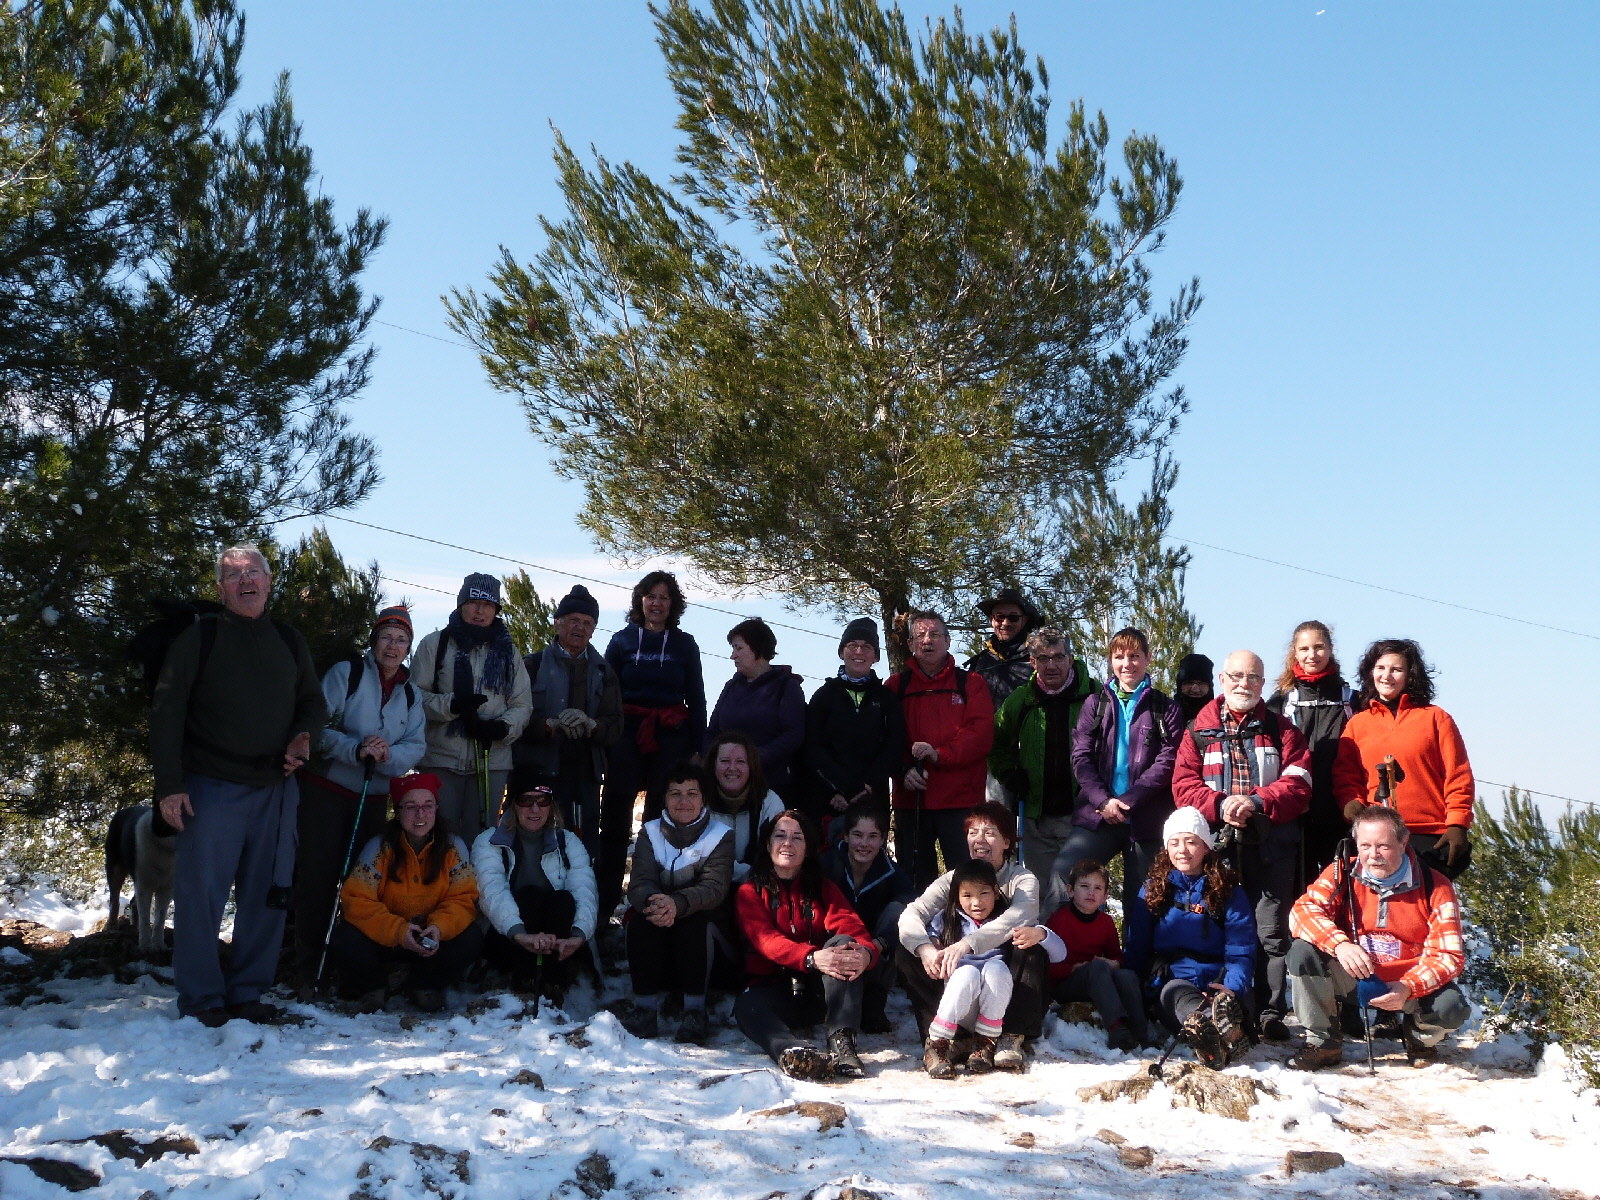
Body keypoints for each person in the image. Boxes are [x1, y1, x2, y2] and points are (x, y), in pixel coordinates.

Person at [150, 544, 327, 1027]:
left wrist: (304, 736)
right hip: (211, 787)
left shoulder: (289, 640)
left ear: (269, 581)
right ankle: (202, 997)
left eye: (254, 572)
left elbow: (312, 702)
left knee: (268, 895)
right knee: (200, 896)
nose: (246, 580)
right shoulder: (199, 639)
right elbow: (166, 712)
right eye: (234, 575)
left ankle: (248, 991)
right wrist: (169, 785)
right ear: (220, 589)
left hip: (277, 788)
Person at [1172, 648, 1311, 1040]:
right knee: (1220, 928)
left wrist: (1255, 802)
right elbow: (1183, 786)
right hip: (1219, 847)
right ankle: (1224, 1008)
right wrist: (1220, 805)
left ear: (1263, 683)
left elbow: (1299, 783)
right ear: (1222, 680)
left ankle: (1269, 1013)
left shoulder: (1283, 730)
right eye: (1235, 676)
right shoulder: (1197, 730)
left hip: (1272, 847)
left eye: (1252, 677)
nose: (1243, 684)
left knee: (1270, 933)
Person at [296, 605, 427, 990]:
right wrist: (356, 750)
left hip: (373, 799)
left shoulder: (411, 693)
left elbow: (415, 744)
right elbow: (318, 728)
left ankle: (350, 965)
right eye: (386, 637)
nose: (393, 646)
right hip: (327, 793)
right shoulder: (346, 674)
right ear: (374, 640)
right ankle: (307, 968)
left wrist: (387, 755)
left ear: (408, 648)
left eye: (401, 640)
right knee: (317, 881)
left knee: (363, 886)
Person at [1287, 804, 1468, 1069]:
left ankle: (1418, 1039)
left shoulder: (1436, 885)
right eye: (1365, 846)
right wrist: (1340, 945)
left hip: (1408, 985)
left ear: (1403, 842)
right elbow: (1302, 912)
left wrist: (1409, 987)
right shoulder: (1342, 872)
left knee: (1451, 1007)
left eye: (1383, 846)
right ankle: (1323, 1042)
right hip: (1353, 978)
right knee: (1302, 952)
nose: (1373, 856)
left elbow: (1448, 955)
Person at [896, 802, 1046, 1072]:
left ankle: (1010, 1035)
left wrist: (968, 944)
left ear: (1007, 842)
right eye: (973, 832)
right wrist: (925, 948)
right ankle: (939, 1038)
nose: (980, 840)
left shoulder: (1021, 879)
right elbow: (913, 913)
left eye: (989, 833)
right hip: (958, 977)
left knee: (1029, 945)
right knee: (907, 949)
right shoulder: (955, 879)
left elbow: (1020, 916)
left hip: (1000, 977)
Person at [735, 810, 877, 1080]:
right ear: (768, 845)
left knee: (846, 944)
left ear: (808, 848)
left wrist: (865, 955)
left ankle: (842, 1042)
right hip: (773, 988)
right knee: (746, 1006)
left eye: (797, 838)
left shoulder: (823, 888)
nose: (787, 843)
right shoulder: (750, 891)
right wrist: (811, 957)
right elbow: (766, 940)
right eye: (780, 836)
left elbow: (852, 927)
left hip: (820, 990)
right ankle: (792, 1052)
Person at [1051, 627, 1183, 914]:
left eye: (1134, 656)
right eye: (1120, 657)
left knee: (1145, 903)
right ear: (1110, 660)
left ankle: (1136, 947)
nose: (1127, 664)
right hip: (1098, 817)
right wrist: (1103, 801)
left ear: (1148, 658)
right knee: (1063, 875)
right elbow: (1081, 757)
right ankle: (1062, 942)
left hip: (1146, 821)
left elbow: (1167, 761)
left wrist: (1129, 801)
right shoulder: (1095, 704)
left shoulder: (1165, 707)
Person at [601, 571, 707, 927]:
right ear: (640, 600)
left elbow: (696, 697)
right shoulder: (621, 641)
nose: (657, 603)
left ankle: (650, 904)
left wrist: (699, 747)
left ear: (673, 604)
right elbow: (606, 694)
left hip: (671, 733)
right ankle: (603, 907)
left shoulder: (685, 645)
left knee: (658, 822)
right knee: (615, 818)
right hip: (626, 733)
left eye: (664, 597)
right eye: (651, 596)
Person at [330, 773, 484, 1013]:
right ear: (398, 811)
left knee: (471, 936)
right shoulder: (380, 847)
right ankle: (374, 987)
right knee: (345, 936)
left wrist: (439, 927)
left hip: (430, 937)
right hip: (387, 938)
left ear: (436, 809)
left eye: (427, 806)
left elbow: (463, 898)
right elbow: (356, 900)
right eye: (411, 807)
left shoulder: (452, 846)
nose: (420, 814)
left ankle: (423, 985)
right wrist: (399, 931)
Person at [1123, 808, 1256, 1069]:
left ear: (1206, 846)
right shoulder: (1154, 889)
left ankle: (1221, 1024)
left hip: (1221, 980)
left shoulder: (1228, 890)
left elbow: (1241, 948)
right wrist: (1132, 988)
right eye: (1174, 843)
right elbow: (1137, 945)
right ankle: (1215, 1028)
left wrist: (1229, 988)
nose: (1182, 850)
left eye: (1191, 842)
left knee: (1232, 1001)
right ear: (1166, 848)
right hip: (1174, 979)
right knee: (1179, 997)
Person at [1333, 639, 1474, 880]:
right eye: (1380, 668)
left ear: (1410, 675)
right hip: (1377, 837)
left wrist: (1457, 825)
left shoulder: (1436, 718)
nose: (1387, 676)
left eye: (1396, 669)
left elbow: (1458, 775)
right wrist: (1352, 803)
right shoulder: (1357, 724)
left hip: (1431, 836)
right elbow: (1346, 776)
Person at [411, 574, 534, 844]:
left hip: (492, 761)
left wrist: (501, 728)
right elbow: (413, 697)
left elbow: (522, 703)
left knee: (482, 841)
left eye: (488, 605)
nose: (480, 611)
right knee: (439, 839)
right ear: (461, 604)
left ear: (496, 610)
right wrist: (452, 705)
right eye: (473, 602)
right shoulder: (435, 644)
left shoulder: (509, 653)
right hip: (441, 759)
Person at [920, 859, 1067, 1078]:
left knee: (996, 967)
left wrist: (1041, 934)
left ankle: (984, 1042)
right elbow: (927, 936)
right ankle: (938, 1043)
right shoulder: (947, 919)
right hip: (960, 1003)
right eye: (967, 895)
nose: (976, 903)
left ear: (996, 892)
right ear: (957, 897)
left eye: (984, 893)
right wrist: (932, 945)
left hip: (995, 1005)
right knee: (967, 972)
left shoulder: (1006, 921)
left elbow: (1060, 954)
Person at [622, 762, 732, 1045]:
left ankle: (695, 1011)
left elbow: (714, 888)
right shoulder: (650, 832)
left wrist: (677, 903)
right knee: (641, 920)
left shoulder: (720, 835)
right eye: (675, 794)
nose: (684, 802)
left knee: (694, 923)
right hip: (662, 931)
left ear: (703, 798)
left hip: (704, 939)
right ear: (665, 798)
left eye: (692, 794)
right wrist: (655, 903)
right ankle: (644, 1009)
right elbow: (640, 881)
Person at [513, 585, 622, 859]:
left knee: (583, 854)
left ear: (594, 630)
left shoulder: (604, 672)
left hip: (585, 779)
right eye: (573, 620)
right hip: (537, 775)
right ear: (557, 622)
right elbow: (516, 720)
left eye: (587, 623)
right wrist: (550, 725)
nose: (580, 628)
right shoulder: (531, 665)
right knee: (535, 852)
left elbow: (615, 726)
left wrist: (591, 725)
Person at [886, 610, 994, 887]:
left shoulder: (971, 683)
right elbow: (885, 739)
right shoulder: (896, 686)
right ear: (910, 644)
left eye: (935, 634)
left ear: (947, 640)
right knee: (916, 885)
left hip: (961, 803)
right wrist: (902, 770)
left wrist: (939, 754)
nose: (927, 641)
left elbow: (980, 735)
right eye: (920, 635)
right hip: (912, 801)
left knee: (968, 882)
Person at [472, 764, 598, 1001]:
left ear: (551, 805)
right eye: (526, 801)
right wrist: (520, 935)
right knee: (529, 896)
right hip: (511, 937)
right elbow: (492, 891)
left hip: (559, 936)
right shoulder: (490, 841)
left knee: (563, 899)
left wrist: (579, 935)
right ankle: (524, 980)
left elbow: (584, 890)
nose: (534, 809)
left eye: (542, 801)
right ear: (512, 804)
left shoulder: (567, 841)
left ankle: (555, 981)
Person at [989, 625, 1097, 883]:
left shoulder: (1095, 695)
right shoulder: (1021, 700)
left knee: (1082, 891)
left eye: (1058, 657)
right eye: (1043, 658)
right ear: (1032, 662)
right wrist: (1007, 772)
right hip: (1036, 817)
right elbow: (995, 741)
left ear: (1070, 659)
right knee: (1043, 892)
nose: (1051, 666)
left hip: (1082, 815)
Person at [1267, 621, 1358, 878]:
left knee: (1341, 889)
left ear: (1330, 648)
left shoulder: (1352, 700)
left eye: (1318, 647)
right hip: (1296, 816)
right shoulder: (1280, 703)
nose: (1312, 655)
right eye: (1304, 648)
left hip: (1340, 815)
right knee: (1299, 891)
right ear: (1294, 652)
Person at [821, 801, 916, 1032]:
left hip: (873, 950)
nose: (864, 844)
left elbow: (913, 907)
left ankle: (874, 998)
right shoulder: (827, 864)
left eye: (872, 836)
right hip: (833, 944)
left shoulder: (891, 871)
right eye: (857, 835)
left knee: (899, 912)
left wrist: (878, 944)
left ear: (882, 840)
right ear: (846, 836)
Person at [803, 617, 905, 830]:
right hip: (831, 800)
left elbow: (893, 747)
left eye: (867, 647)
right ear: (842, 652)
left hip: (873, 801)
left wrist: (864, 787)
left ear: (875, 657)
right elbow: (813, 748)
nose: (859, 652)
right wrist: (840, 789)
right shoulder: (824, 696)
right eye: (852, 645)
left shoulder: (886, 698)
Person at [1043, 858, 1148, 1052]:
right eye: (1084, 886)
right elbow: (1046, 965)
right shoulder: (1058, 920)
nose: (1091, 892)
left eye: (1098, 888)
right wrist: (1072, 969)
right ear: (1070, 890)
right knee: (1097, 968)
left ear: (1105, 896)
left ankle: (1140, 1033)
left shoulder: (1106, 922)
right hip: (1066, 984)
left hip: (1098, 980)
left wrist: (1113, 963)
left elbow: (1117, 956)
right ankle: (1116, 1028)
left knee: (1126, 975)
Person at [705, 617, 807, 803]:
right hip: (727, 787)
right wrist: (713, 760)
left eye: (738, 648)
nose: (733, 656)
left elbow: (793, 735)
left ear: (757, 649)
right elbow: (712, 731)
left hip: (771, 786)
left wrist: (753, 759)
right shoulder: (731, 686)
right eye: (733, 649)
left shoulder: (786, 686)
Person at [705, 731, 785, 885]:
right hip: (710, 884)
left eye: (740, 761)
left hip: (759, 884)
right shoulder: (698, 801)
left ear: (751, 766)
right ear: (713, 764)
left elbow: (776, 852)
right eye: (725, 761)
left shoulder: (769, 801)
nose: (732, 768)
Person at [965, 587, 1042, 709]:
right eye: (999, 617)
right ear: (992, 620)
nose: (1006, 623)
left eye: (1013, 617)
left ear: (1024, 620)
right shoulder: (979, 662)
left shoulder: (1038, 660)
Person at [1174, 653, 1215, 724]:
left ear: (1209, 687)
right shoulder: (1167, 716)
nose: (1195, 689)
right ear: (1180, 686)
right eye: (1189, 683)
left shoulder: (1220, 718)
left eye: (1201, 683)